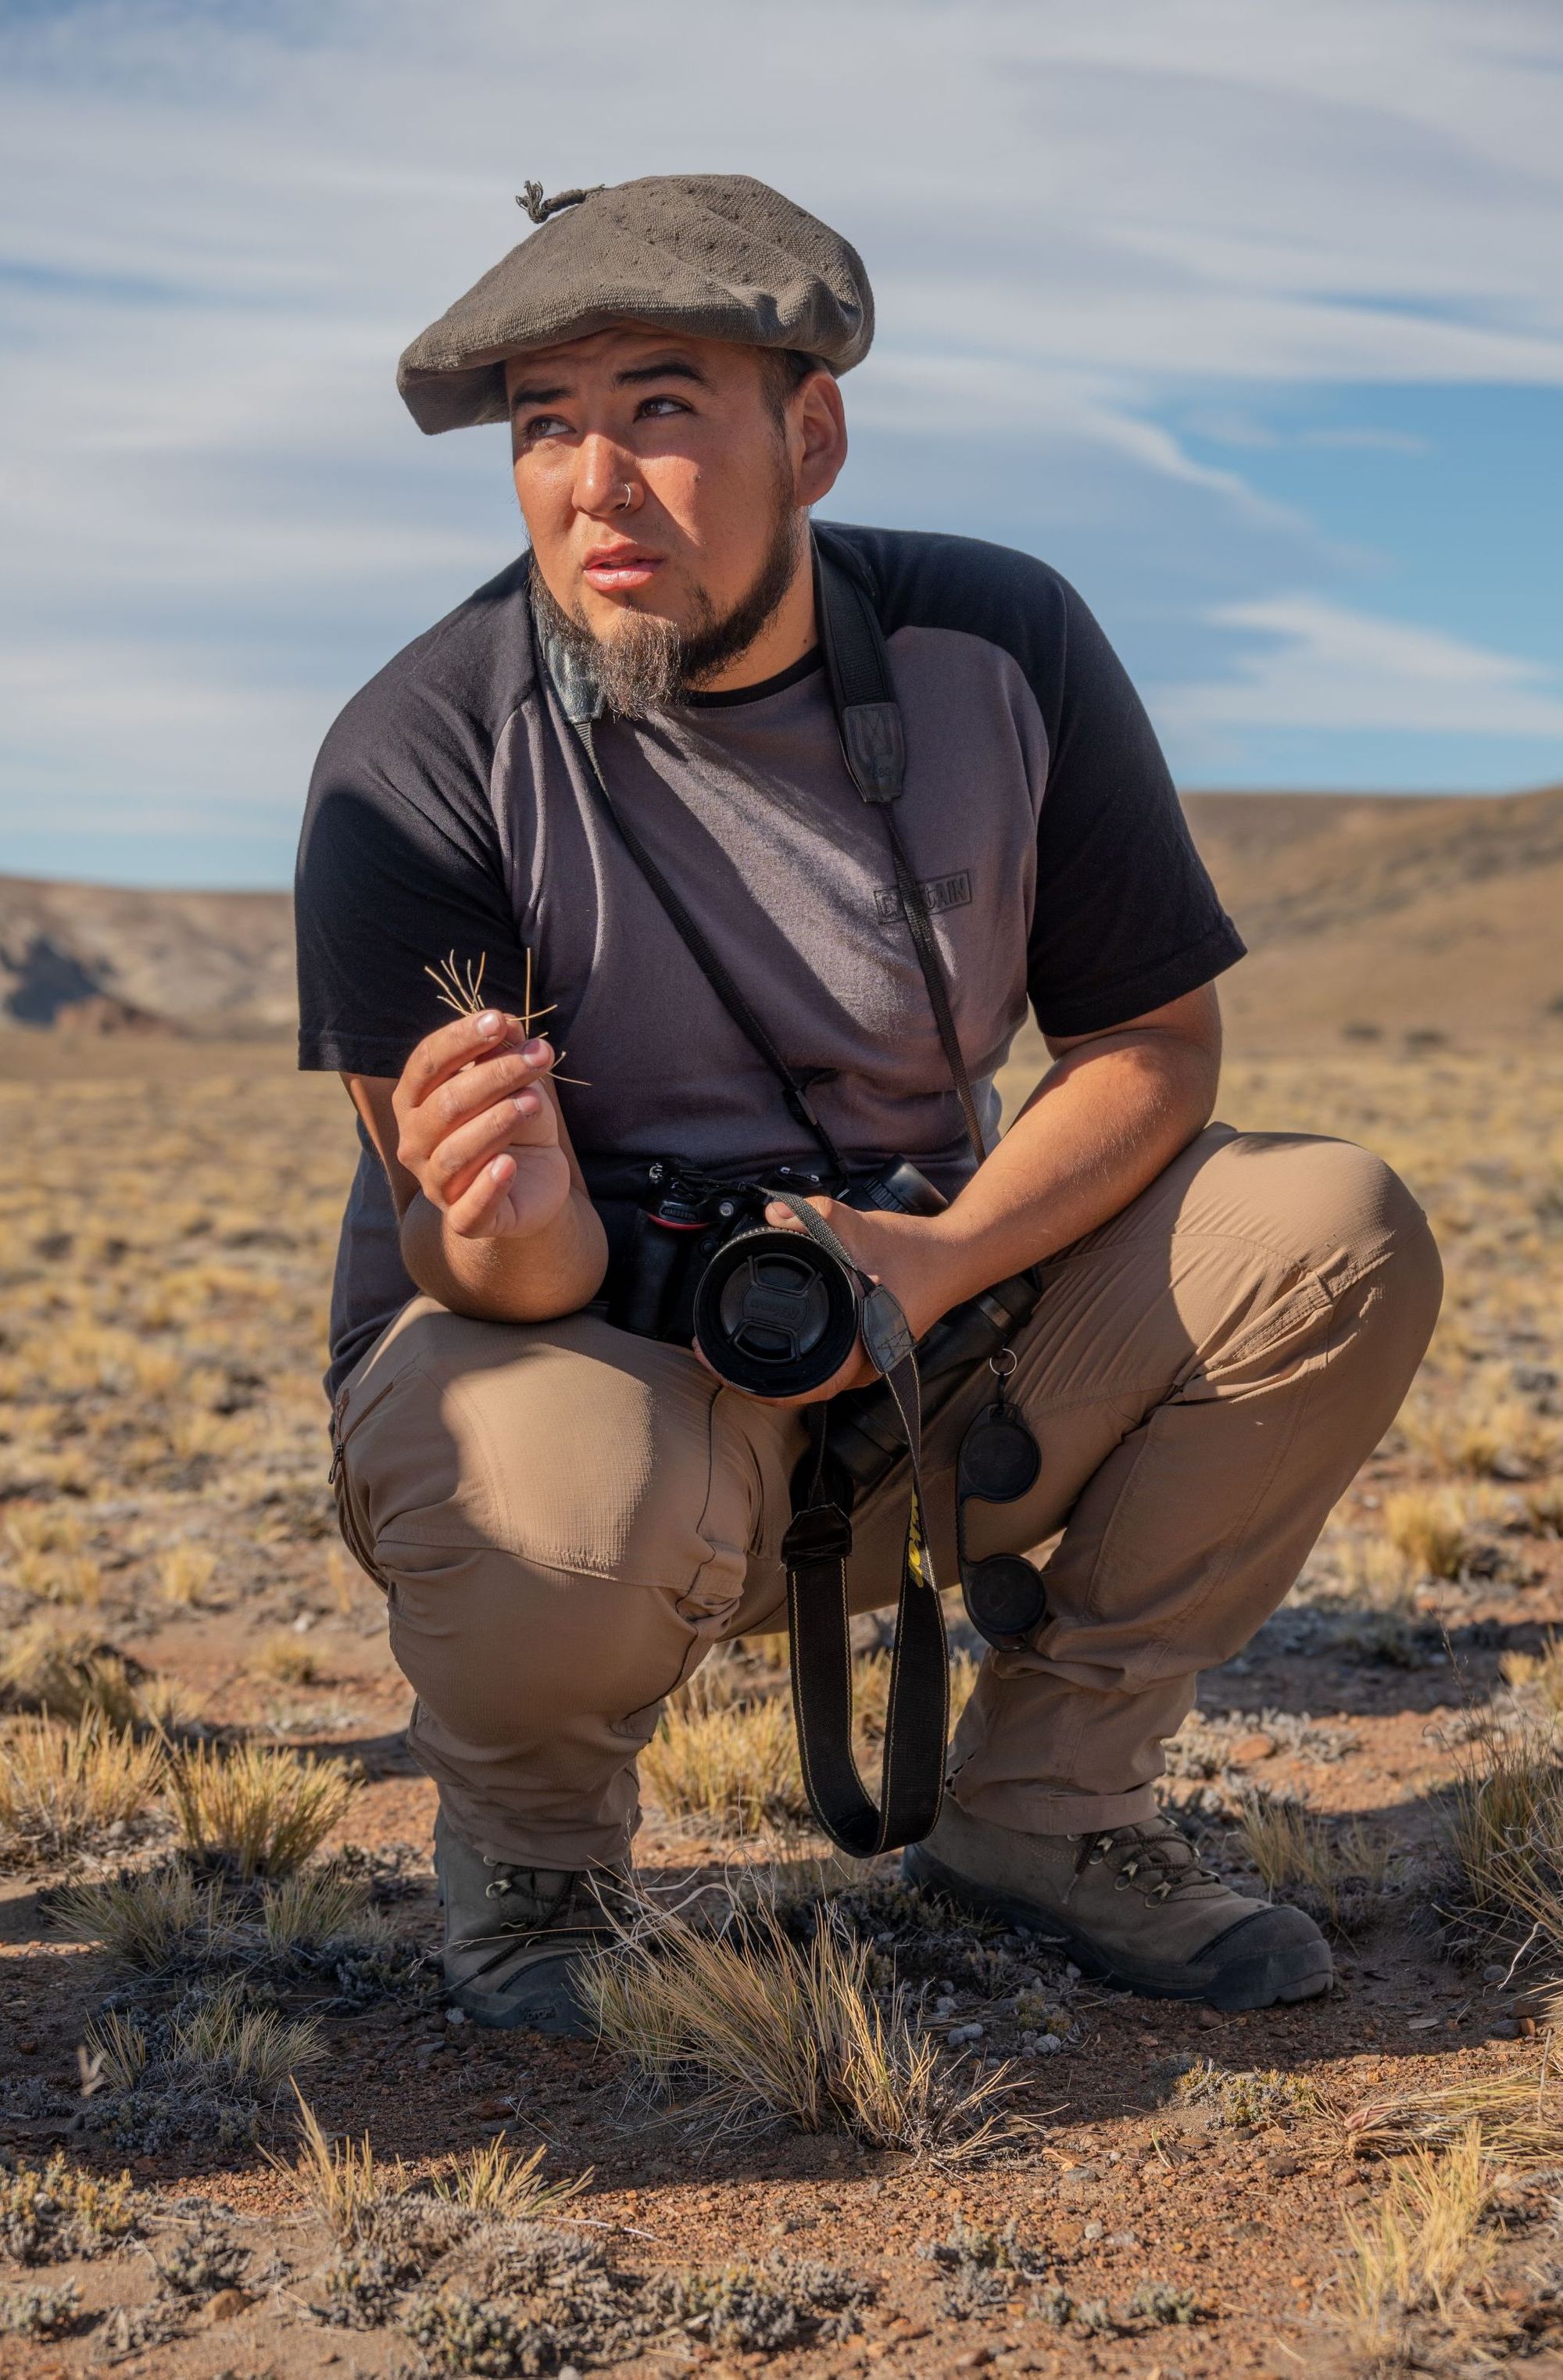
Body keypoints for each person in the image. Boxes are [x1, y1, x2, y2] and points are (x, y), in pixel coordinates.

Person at [295, 174, 1441, 2035]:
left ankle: (1052, 1806)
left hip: (929, 1334)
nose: (597, 484)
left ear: (807, 431)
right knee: (532, 1476)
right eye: (543, 428)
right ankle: (536, 1864)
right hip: (596, 1363)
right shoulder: (417, 751)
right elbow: (478, 1264)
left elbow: (1154, 1040)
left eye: (661, 408)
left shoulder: (1002, 644)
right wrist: (502, 1223)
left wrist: (934, 1252)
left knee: (1329, 1230)